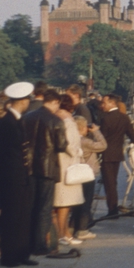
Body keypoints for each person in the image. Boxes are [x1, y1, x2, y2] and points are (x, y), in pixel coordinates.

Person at [0, 82, 37, 267]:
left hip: (21, 176)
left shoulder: (17, 120)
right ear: (23, 101)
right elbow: (7, 154)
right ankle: (9, 255)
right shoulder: (8, 123)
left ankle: (21, 252)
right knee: (12, 217)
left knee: (22, 216)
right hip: (12, 177)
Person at [23, 89, 68, 258]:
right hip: (48, 169)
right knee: (44, 208)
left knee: (31, 206)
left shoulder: (27, 117)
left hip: (29, 168)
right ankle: (40, 244)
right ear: (55, 102)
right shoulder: (56, 120)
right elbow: (61, 145)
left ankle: (28, 242)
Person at [53, 95, 85, 247]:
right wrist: (77, 152)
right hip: (67, 166)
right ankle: (62, 234)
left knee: (59, 204)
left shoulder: (55, 119)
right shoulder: (69, 122)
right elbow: (70, 144)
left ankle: (64, 233)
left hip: (58, 165)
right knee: (64, 205)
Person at [99, 93, 134, 218]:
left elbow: (102, 139)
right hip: (117, 154)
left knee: (109, 184)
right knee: (113, 182)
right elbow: (133, 135)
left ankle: (112, 211)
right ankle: (113, 209)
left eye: (104, 103)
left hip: (106, 155)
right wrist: (132, 145)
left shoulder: (105, 119)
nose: (102, 105)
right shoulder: (124, 118)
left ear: (112, 103)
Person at [72, 116, 106, 240]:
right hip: (87, 173)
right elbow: (103, 145)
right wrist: (96, 131)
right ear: (83, 128)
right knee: (86, 203)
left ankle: (72, 226)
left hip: (75, 173)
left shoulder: (72, 140)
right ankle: (82, 230)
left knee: (76, 203)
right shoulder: (85, 142)